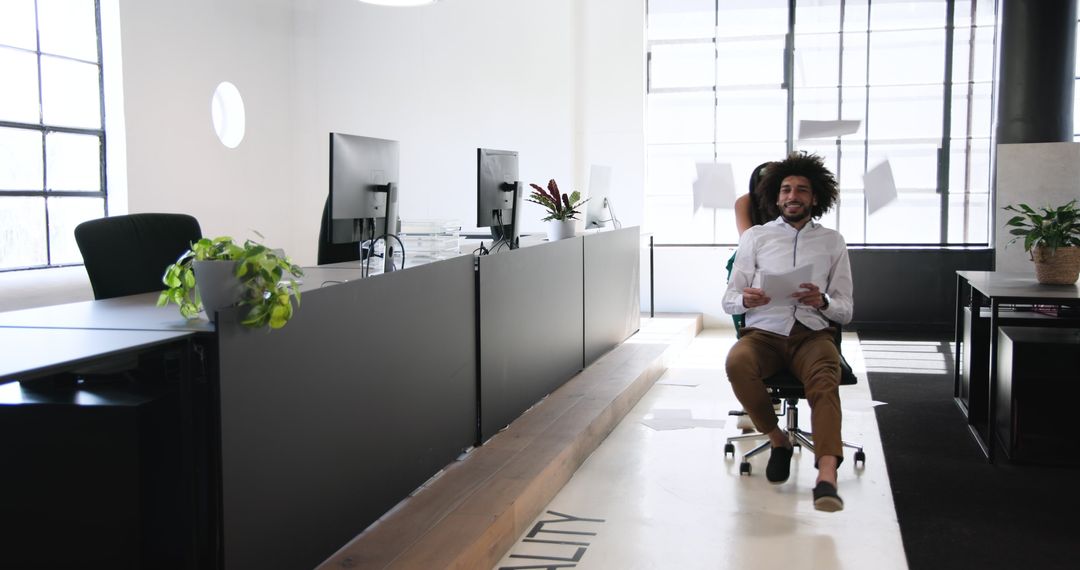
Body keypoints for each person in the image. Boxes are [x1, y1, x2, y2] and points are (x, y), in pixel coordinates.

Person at [722, 152, 854, 513]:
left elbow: (846, 308)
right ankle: (778, 439)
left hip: (812, 334)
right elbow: (729, 300)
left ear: (815, 198)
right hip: (763, 333)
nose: (793, 196)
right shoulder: (756, 238)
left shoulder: (832, 241)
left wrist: (823, 300)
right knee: (737, 363)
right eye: (786, 190)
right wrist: (746, 299)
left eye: (801, 190)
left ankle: (827, 477)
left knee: (825, 381)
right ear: (776, 198)